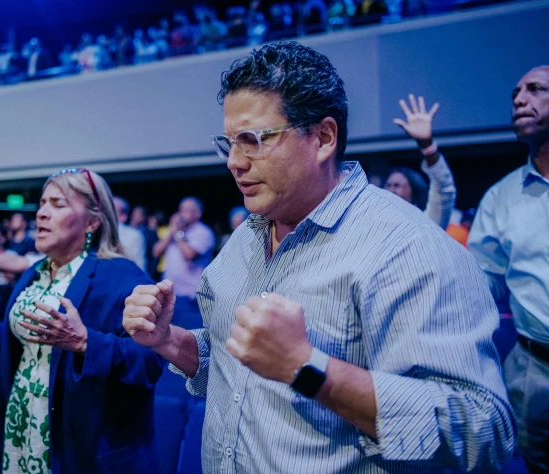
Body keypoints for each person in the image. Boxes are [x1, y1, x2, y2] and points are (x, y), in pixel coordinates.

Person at [123, 41, 515, 473]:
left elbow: (484, 432)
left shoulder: (407, 246)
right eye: (230, 142)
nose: (234, 162)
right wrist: (170, 341)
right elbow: (233, 368)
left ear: (324, 138)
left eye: (253, 140)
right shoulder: (245, 240)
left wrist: (309, 368)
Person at [0, 168, 163, 474]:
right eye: (42, 203)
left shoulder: (122, 277)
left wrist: (86, 343)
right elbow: (29, 350)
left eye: (58, 204)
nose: (41, 214)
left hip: (81, 448)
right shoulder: (35, 273)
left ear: (93, 221)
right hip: (24, 432)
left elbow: (151, 361)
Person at [468, 65, 549, 472]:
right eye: (516, 92)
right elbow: (483, 284)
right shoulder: (500, 198)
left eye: (535, 89)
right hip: (534, 367)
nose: (519, 99)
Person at [385, 94, 457, 229]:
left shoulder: (426, 224)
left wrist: (427, 146)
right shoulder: (376, 225)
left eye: (397, 185)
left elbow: (444, 190)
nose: (391, 190)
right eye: (388, 185)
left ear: (414, 193)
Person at [151, 197, 214, 329]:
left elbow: (189, 255)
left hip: (191, 299)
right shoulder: (174, 232)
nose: (182, 214)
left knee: (188, 336)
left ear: (198, 213)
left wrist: (178, 233)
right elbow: (156, 252)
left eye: (187, 210)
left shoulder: (203, 232)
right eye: (181, 210)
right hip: (170, 295)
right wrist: (171, 232)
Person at [113, 196, 147, 271]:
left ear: (123, 216)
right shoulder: (95, 232)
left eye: (113, 209)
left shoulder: (134, 236)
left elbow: (140, 266)